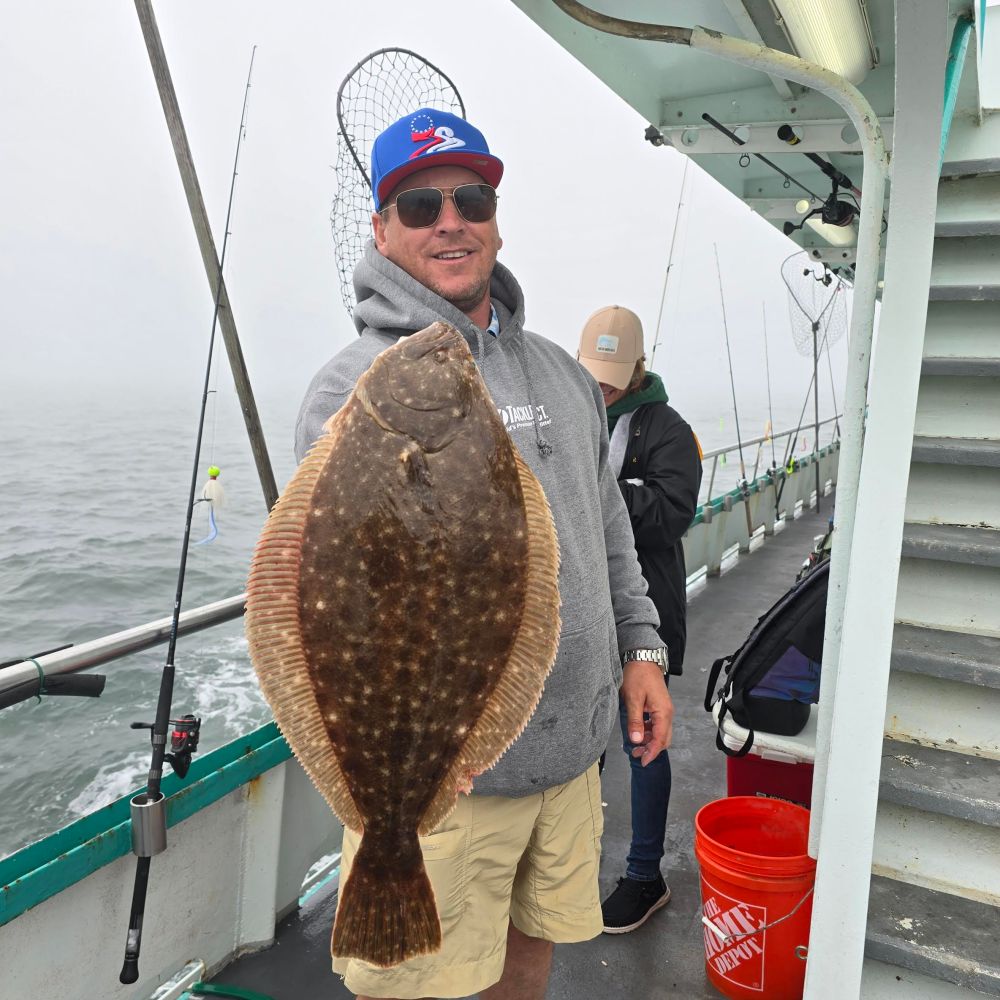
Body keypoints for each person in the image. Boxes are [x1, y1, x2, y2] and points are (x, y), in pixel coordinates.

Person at [295, 108, 672, 1000]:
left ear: (496, 220)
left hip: (570, 759)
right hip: (447, 779)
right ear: (382, 230)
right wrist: (422, 741)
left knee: (528, 963)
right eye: (420, 206)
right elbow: (332, 603)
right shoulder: (351, 389)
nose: (450, 222)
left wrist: (642, 649)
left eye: (471, 199)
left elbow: (606, 527)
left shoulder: (563, 374)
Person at [577, 305, 703, 935]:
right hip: (578, 615)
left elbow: (673, 512)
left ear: (637, 368)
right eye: (592, 375)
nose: (600, 387)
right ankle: (570, 870)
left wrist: (596, 493)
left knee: (642, 740)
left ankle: (645, 875)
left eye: (611, 377)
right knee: (580, 744)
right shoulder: (569, 413)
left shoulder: (669, 430)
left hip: (643, 613)